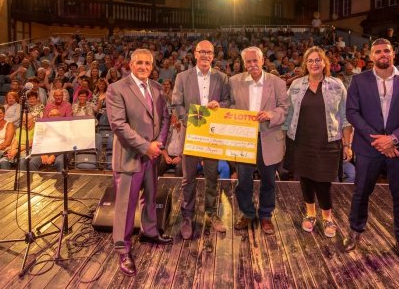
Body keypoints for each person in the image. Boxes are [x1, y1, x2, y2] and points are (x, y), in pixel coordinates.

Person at [343, 38, 399, 273]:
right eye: (378, 51)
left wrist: (393, 139)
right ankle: (356, 231)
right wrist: (379, 140)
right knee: (361, 193)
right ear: (371, 56)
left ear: (393, 53)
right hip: (369, 148)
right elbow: (352, 113)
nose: (382, 54)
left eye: (386, 51)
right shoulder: (359, 81)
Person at [105, 49, 172, 277]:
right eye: (139, 63)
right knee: (125, 206)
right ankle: (123, 250)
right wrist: (146, 146)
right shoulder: (116, 88)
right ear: (131, 65)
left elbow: (165, 118)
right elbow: (118, 125)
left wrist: (159, 143)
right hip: (129, 156)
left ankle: (150, 231)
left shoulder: (156, 87)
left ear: (152, 66)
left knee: (150, 197)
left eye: (148, 63)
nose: (144, 66)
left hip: (152, 156)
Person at [283, 46, 352, 238]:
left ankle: (327, 216)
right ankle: (310, 214)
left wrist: (347, 145)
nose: (314, 64)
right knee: (305, 178)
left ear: (324, 63)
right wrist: (283, 139)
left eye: (318, 60)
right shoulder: (296, 85)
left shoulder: (337, 85)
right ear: (306, 64)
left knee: (323, 182)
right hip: (301, 140)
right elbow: (288, 115)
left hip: (328, 142)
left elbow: (345, 117)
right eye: (310, 60)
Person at [171, 40, 232, 239]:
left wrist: (219, 105)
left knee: (212, 177)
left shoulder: (222, 78)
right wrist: (188, 120)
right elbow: (176, 104)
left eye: (209, 52)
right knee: (188, 178)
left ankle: (211, 213)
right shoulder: (182, 77)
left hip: (212, 135)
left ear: (214, 56)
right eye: (202, 52)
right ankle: (187, 217)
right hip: (191, 134)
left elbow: (228, 102)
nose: (205, 55)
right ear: (195, 54)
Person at [231, 46, 289, 236]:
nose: (252, 64)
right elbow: (228, 105)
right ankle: (248, 213)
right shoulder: (233, 82)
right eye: (248, 61)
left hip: (269, 138)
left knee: (269, 181)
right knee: (243, 181)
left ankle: (265, 216)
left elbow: (284, 109)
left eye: (256, 60)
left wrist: (270, 114)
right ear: (243, 63)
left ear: (263, 60)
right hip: (243, 140)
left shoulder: (278, 82)